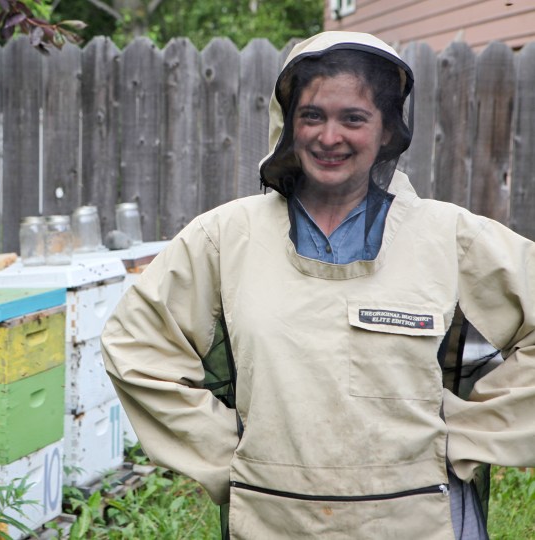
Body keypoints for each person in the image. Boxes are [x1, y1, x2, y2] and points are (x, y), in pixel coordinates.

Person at [100, 31, 535, 539]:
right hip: (272, 519)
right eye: (313, 116)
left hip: (419, 517)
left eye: (353, 117)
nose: (330, 137)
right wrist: (228, 457)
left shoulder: (450, 235)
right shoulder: (225, 236)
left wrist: (468, 436)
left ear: (388, 131)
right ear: (288, 125)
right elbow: (137, 347)